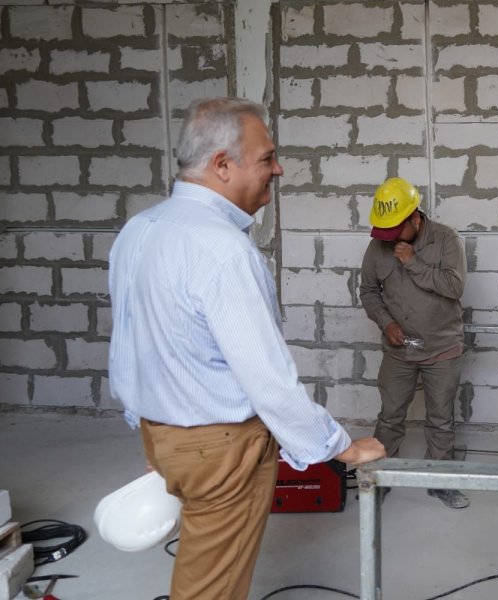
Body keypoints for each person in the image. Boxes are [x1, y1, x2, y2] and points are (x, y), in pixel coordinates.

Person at [108, 97, 385, 600]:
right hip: (220, 448)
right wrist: (339, 447)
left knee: (201, 567)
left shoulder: (139, 230)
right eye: (267, 158)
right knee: (212, 588)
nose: (278, 170)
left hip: (163, 434)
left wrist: (154, 430)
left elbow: (129, 346)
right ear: (222, 165)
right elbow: (268, 381)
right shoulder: (223, 249)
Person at [359, 177, 469, 509]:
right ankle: (380, 479)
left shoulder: (446, 240)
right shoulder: (378, 247)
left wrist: (413, 263)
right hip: (399, 350)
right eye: (386, 232)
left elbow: (454, 287)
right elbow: (368, 291)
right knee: (390, 415)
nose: (390, 239)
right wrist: (386, 322)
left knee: (441, 419)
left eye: (396, 230)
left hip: (442, 348)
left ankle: (440, 482)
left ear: (415, 218)